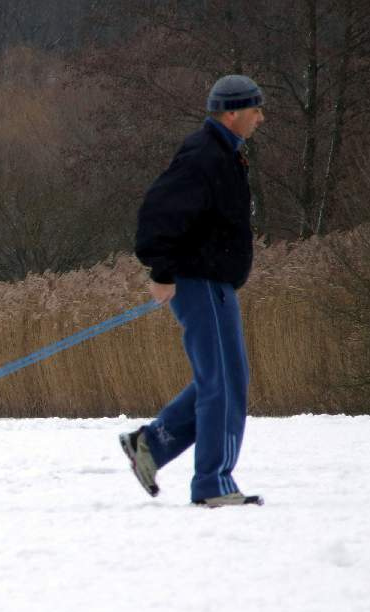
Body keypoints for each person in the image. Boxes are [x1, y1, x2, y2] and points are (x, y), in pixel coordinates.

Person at [120, 75, 266, 507]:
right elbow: (158, 213)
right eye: (255, 108)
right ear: (232, 112)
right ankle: (212, 484)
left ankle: (151, 445)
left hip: (213, 283)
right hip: (197, 282)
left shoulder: (226, 154)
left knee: (224, 377)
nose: (262, 117)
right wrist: (162, 271)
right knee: (221, 380)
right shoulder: (205, 155)